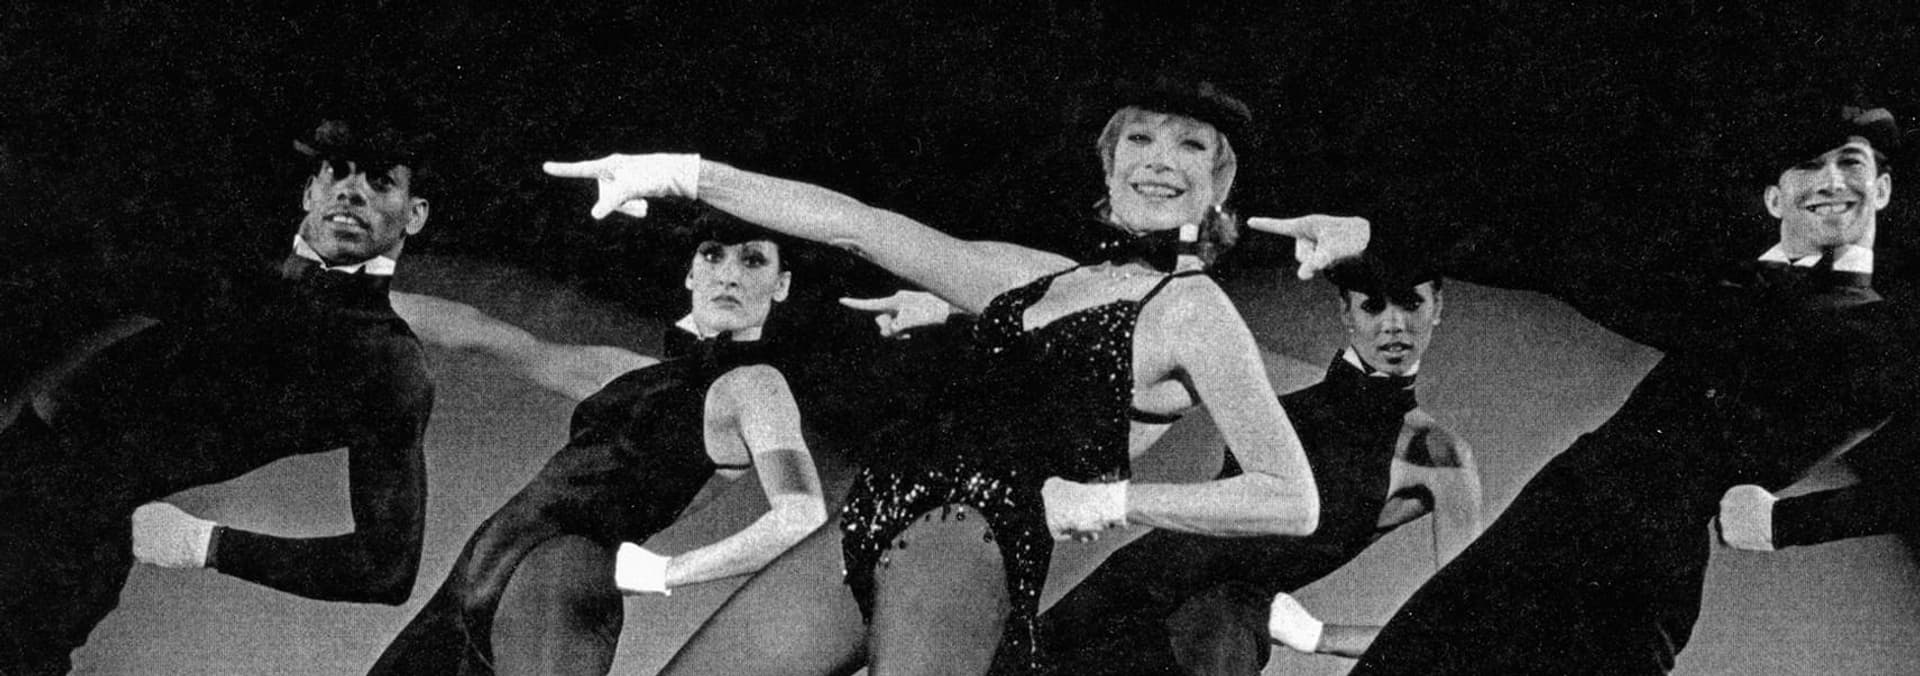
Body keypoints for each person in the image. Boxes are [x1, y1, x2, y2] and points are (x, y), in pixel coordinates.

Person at [546, 81, 1362, 675]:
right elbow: (859, 227)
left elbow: (1290, 499)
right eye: (1141, 139)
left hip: (969, 544)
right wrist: (676, 173)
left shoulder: (1192, 310)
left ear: (1219, 186)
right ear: (1110, 163)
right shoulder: (1037, 278)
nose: (1160, 161)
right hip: (872, 511)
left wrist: (1113, 502)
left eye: (1191, 147)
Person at [1338, 105, 1920, 675]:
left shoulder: (1883, 333)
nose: (1832, 181)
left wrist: (1786, 524)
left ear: (1883, 189)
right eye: (1810, 165)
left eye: (1851, 162)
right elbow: (1561, 266)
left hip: (1637, 574)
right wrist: (1371, 239)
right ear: (1774, 198)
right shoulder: (1729, 289)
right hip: (1548, 519)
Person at [0, 116, 437, 675]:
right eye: (338, 173)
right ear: (310, 191)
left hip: (50, 557)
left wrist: (202, 543)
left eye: (379, 181)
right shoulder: (231, 273)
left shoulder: (387, 365)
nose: (352, 190)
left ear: (414, 214)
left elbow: (386, 568)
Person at [367, 211, 838, 675]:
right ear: (691, 274)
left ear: (781, 284)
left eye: (753, 261)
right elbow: (485, 335)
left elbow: (801, 517)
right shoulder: (627, 372)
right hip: (475, 571)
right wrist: (351, 298)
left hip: (556, 576)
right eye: (713, 256)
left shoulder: (756, 386)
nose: (729, 275)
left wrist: (665, 572)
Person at [1026, 254, 1482, 676]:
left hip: (1214, 634)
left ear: (1437, 307)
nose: (1393, 324)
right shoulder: (1279, 388)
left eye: (1410, 303)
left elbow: (1459, 631)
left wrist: (1318, 637)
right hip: (1122, 589)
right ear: (1345, 311)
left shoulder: (1437, 455)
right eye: (1373, 306)